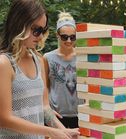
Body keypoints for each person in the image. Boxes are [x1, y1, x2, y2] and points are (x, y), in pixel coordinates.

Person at [0, 0, 79, 138]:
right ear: (19, 25)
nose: (41, 36)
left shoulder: (39, 60)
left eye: (43, 30)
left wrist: (63, 131)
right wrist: (50, 132)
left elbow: (44, 107)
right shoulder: (4, 64)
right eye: (36, 30)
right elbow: (4, 118)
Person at [43, 11, 81, 128]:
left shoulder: (84, 56)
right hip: (56, 115)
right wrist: (47, 109)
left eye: (72, 37)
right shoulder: (48, 58)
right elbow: (45, 86)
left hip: (81, 114)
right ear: (57, 35)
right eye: (64, 37)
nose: (69, 41)